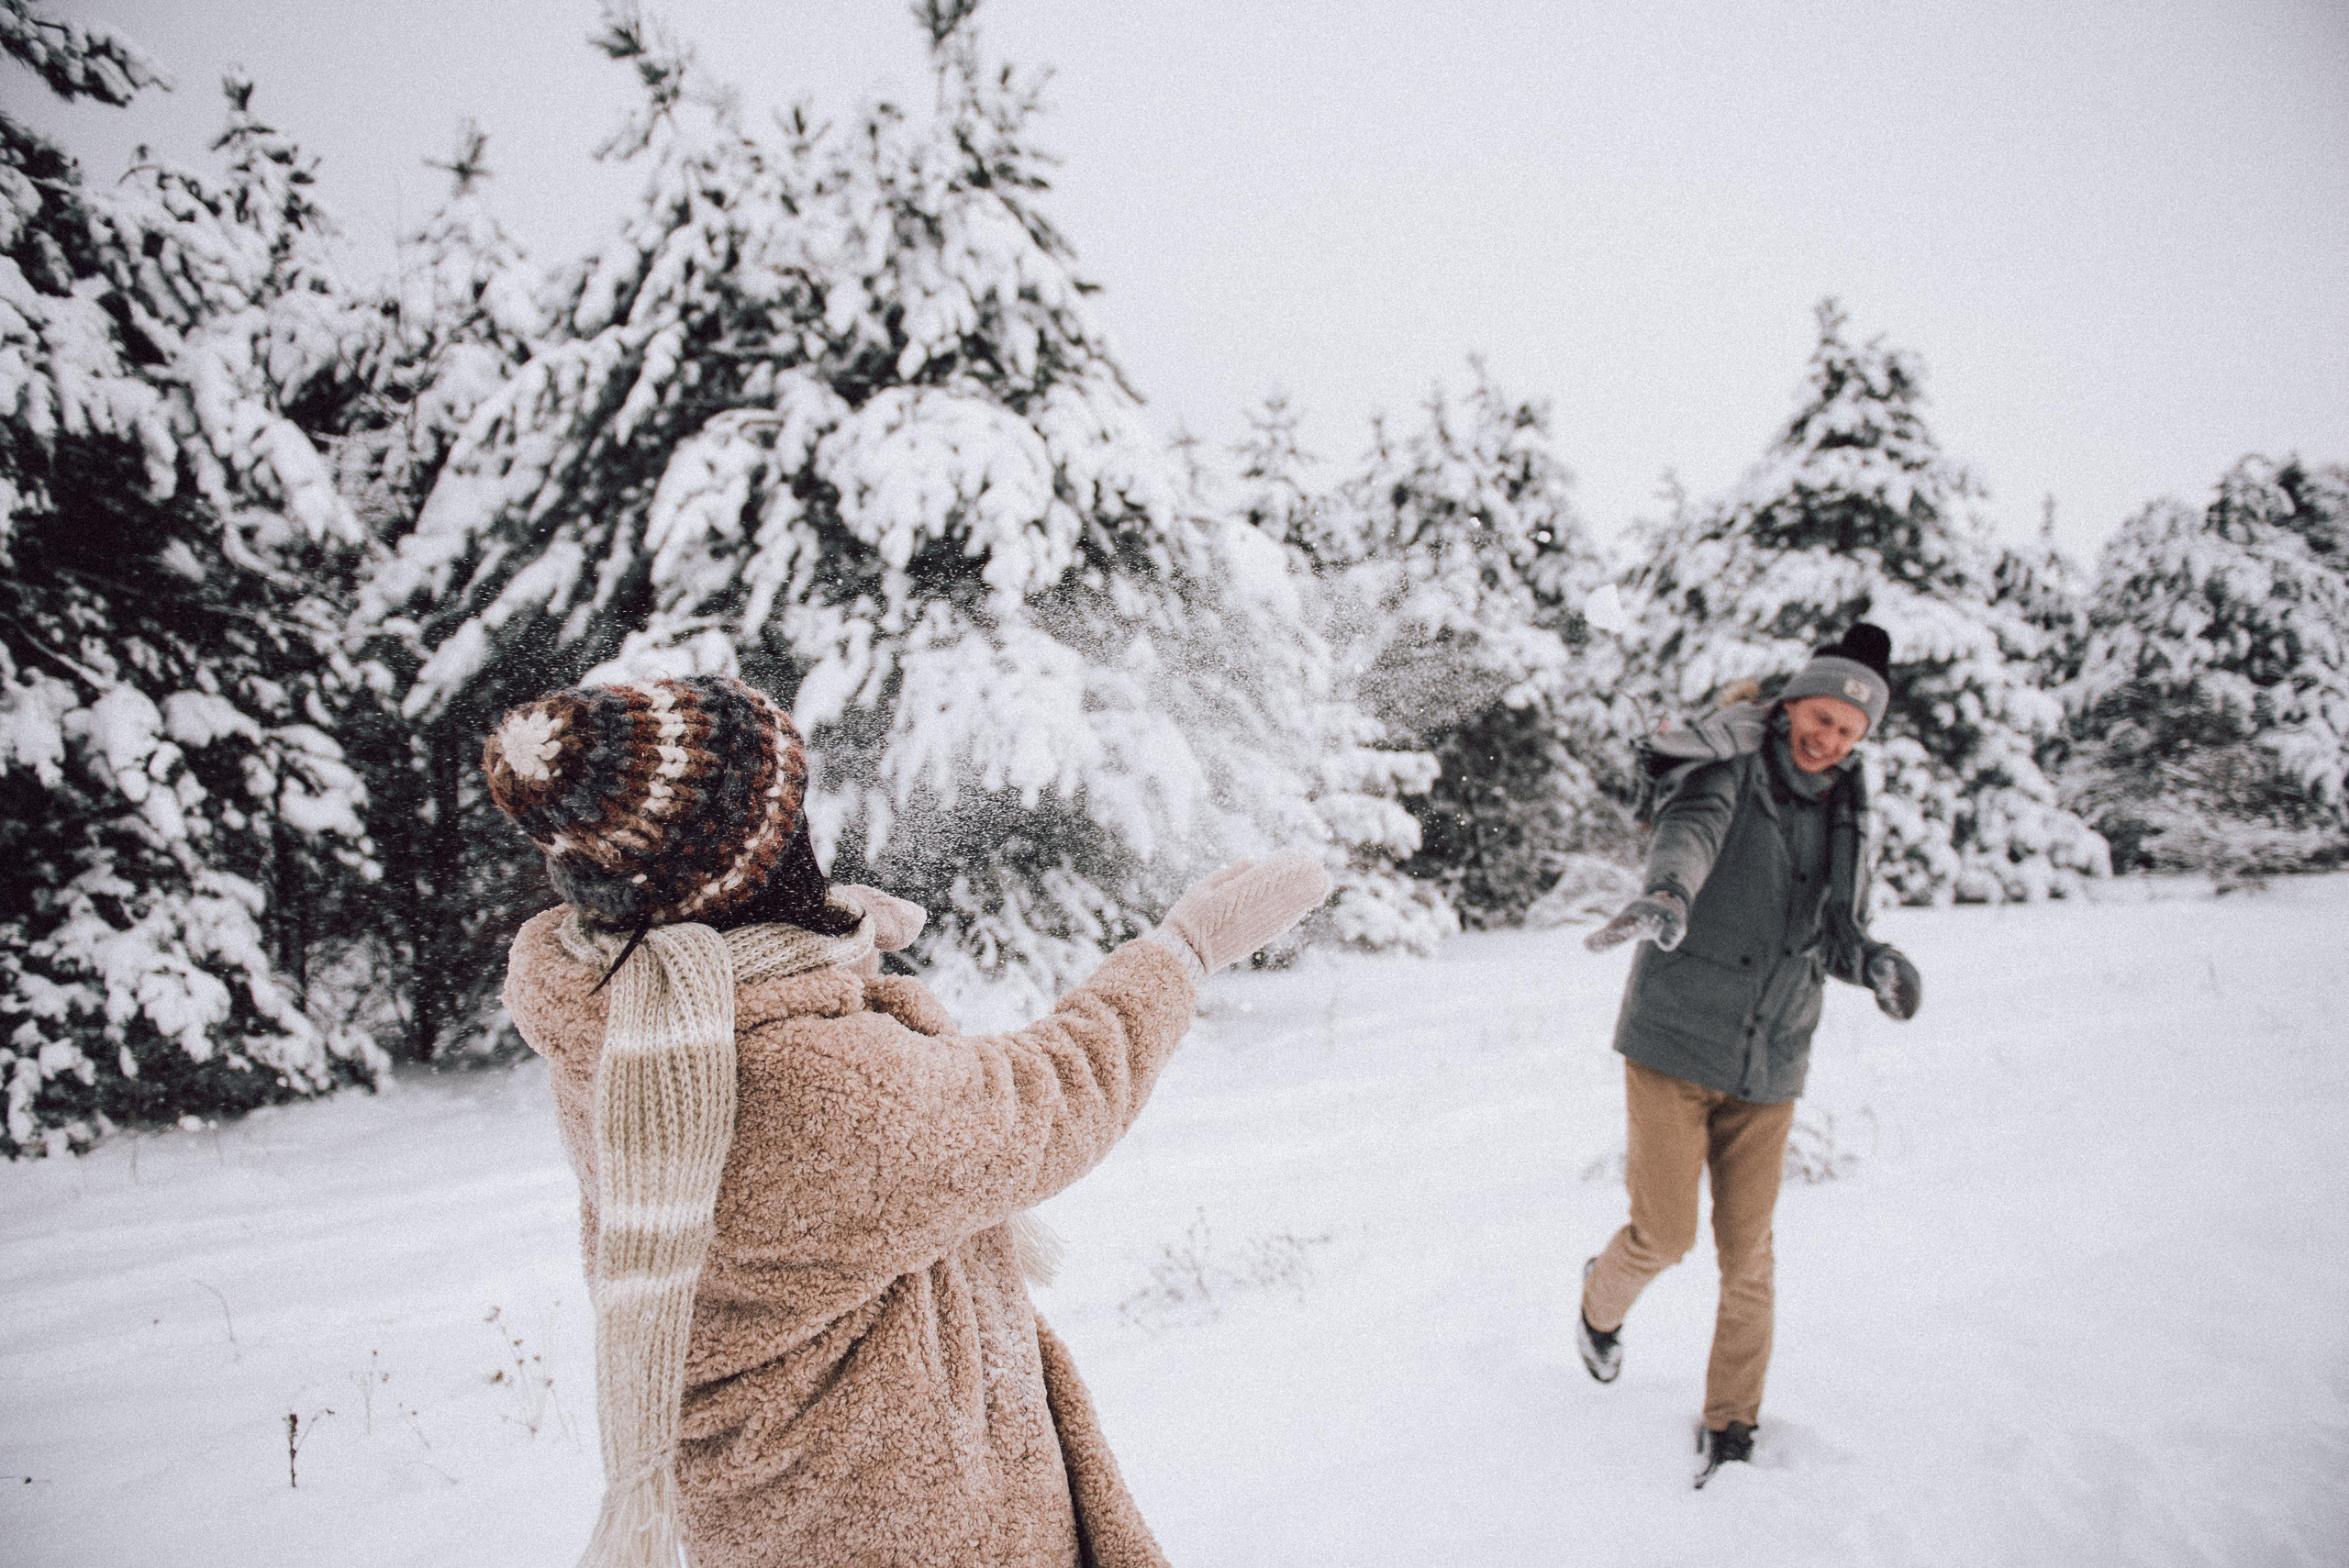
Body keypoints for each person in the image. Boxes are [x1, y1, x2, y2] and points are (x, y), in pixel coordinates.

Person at [483, 673, 1329, 1567]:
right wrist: (1185, 946)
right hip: (898, 1512)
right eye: (788, 822)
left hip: (772, 1507)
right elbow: (1051, 1092)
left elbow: (733, 962)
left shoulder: (621, 1003)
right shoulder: (812, 1086)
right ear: (751, 870)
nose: (805, 836)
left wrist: (823, 938)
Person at [1577, 624, 1923, 1487]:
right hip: (1675, 1039)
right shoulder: (1730, 758)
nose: (1830, 738)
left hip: (1772, 1059)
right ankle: (1598, 1302)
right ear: (1792, 703)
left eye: (1849, 729)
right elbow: (1689, 832)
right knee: (1664, 1233)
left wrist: (1874, 961)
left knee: (1750, 1255)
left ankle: (1732, 1424)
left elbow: (1833, 934)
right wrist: (1666, 893)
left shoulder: (1851, 812)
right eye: (1821, 715)